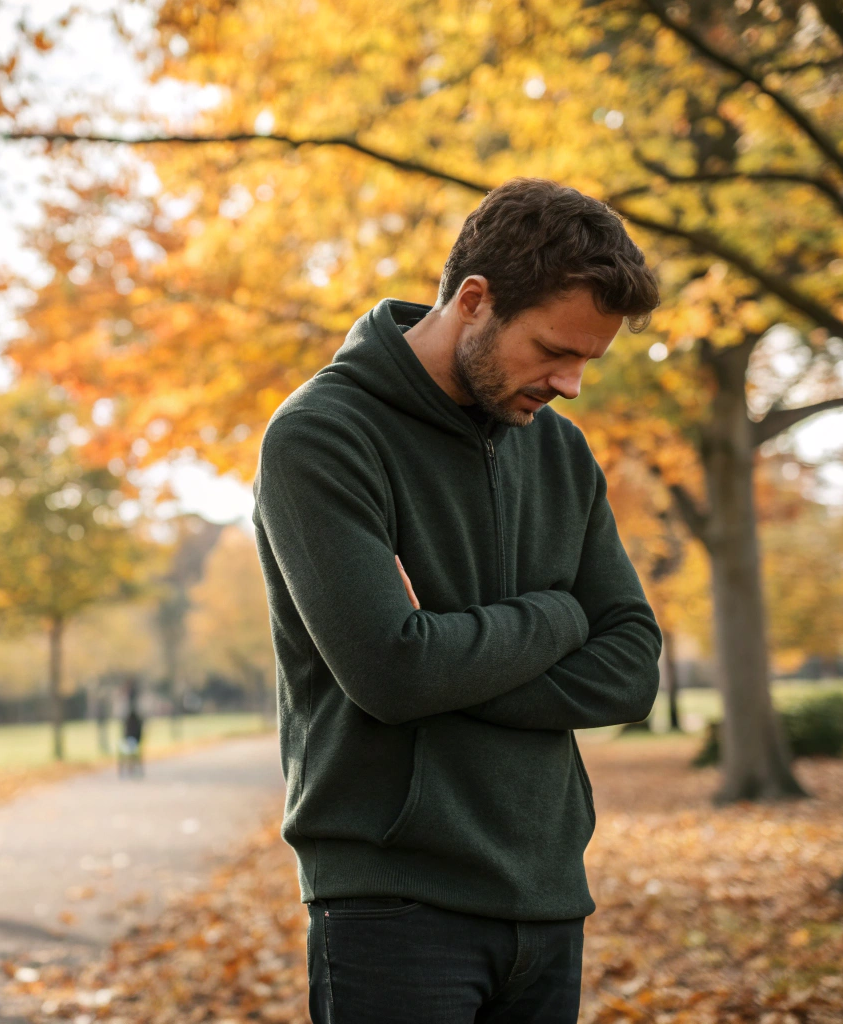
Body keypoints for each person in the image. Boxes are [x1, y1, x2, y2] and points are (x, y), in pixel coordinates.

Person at [253, 178, 664, 1023]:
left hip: (549, 895)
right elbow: (393, 673)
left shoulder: (560, 452)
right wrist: (559, 616)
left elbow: (629, 671)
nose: (572, 383)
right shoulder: (323, 436)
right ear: (474, 300)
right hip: (393, 903)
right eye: (555, 350)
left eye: (589, 359)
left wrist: (445, 652)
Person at [118, 680, 144, 778]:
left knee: (130, 748)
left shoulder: (134, 716)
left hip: (133, 739)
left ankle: (131, 769)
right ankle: (130, 769)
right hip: (130, 739)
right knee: (127, 748)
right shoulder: (129, 716)